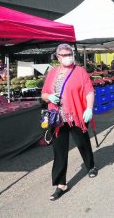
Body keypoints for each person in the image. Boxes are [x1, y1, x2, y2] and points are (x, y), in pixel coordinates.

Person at [41, 44, 97, 201]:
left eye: (70, 53)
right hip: (57, 118)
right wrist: (49, 97)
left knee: (83, 143)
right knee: (59, 151)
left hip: (76, 115)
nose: (68, 56)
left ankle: (90, 165)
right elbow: (44, 93)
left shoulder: (80, 71)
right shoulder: (52, 73)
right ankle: (61, 184)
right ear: (58, 57)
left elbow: (89, 91)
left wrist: (89, 109)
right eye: (64, 54)